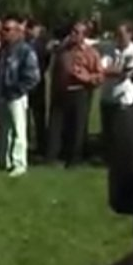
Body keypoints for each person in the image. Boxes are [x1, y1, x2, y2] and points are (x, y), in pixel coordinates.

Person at [45, 21, 103, 168]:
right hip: (61, 91)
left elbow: (99, 75)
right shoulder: (63, 50)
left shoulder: (91, 53)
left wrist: (86, 78)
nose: (73, 35)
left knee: (77, 127)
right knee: (55, 126)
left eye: (77, 32)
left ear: (84, 36)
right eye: (72, 31)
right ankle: (51, 157)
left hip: (79, 92)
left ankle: (74, 159)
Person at [0, 16, 40, 177]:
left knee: (18, 131)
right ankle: (5, 160)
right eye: (3, 29)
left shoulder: (25, 50)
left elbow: (33, 77)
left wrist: (18, 89)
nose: (4, 33)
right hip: (3, 94)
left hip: (17, 96)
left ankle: (19, 163)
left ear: (17, 32)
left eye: (7, 30)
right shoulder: (2, 50)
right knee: (4, 130)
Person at [100, 22, 133, 162]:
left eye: (121, 34)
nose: (117, 37)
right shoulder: (109, 49)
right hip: (107, 96)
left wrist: (114, 71)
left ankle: (121, 160)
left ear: (130, 34)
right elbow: (101, 69)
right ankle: (108, 159)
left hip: (124, 98)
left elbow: (127, 73)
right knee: (108, 132)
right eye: (116, 34)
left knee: (121, 132)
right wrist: (117, 70)